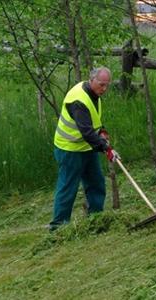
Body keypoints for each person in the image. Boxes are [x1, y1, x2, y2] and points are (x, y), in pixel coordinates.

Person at [48, 67, 120, 232]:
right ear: (91, 80)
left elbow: (93, 122)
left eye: (107, 85)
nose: (104, 89)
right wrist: (106, 148)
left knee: (96, 182)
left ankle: (96, 220)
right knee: (68, 187)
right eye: (101, 85)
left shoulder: (94, 95)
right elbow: (87, 132)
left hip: (86, 147)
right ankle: (58, 228)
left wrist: (102, 131)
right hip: (69, 149)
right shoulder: (78, 100)